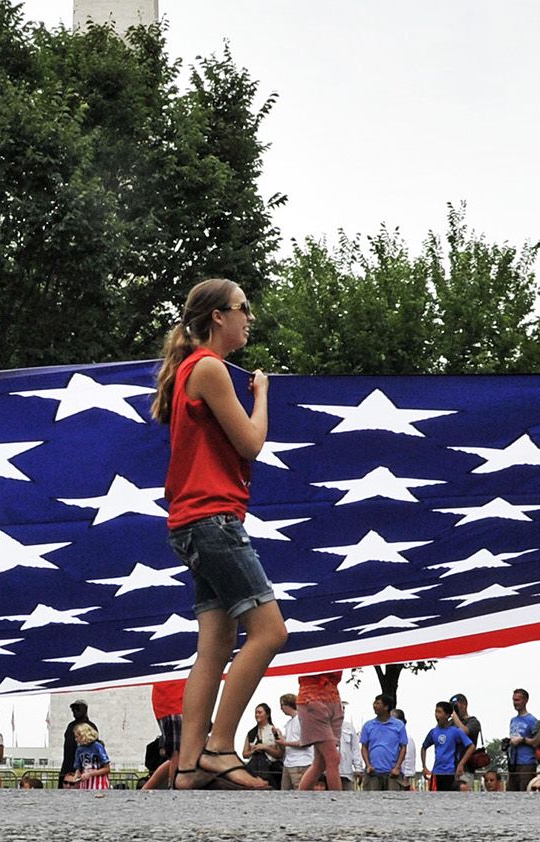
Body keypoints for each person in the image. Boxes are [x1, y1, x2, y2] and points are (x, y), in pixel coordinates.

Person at [153, 278, 287, 791]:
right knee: (272, 631)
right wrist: (263, 395)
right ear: (217, 318)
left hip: (193, 523)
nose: (249, 317)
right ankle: (219, 747)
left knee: (215, 644)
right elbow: (251, 444)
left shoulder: (193, 369)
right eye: (242, 308)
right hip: (213, 521)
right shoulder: (209, 368)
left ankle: (187, 769)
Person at [296, 671, 344, 791]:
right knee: (333, 757)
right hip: (311, 699)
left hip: (333, 698)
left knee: (321, 761)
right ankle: (338, 803)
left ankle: (302, 797)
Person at [359, 695, 408, 792]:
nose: (374, 705)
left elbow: (403, 747)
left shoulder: (398, 725)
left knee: (393, 802)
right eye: (374, 703)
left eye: (378, 703)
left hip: (392, 773)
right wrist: (368, 765)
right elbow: (364, 747)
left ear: (386, 707)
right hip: (373, 773)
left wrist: (397, 767)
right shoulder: (368, 725)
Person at [421, 701, 473, 792]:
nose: (437, 715)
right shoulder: (434, 732)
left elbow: (471, 746)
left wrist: (461, 764)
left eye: (440, 712)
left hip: (451, 772)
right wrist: (424, 766)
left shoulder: (455, 731)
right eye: (436, 712)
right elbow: (424, 747)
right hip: (436, 773)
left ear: (447, 715)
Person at [242, 702, 282, 789]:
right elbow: (245, 754)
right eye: (256, 712)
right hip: (254, 769)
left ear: (267, 714)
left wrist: (266, 748)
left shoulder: (274, 731)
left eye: (260, 712)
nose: (257, 715)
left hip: (271, 769)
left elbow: (279, 754)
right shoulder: (251, 733)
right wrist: (254, 751)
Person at [277, 693, 314, 790]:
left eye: (282, 705)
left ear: (287, 704)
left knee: (300, 793)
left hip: (301, 763)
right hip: (288, 763)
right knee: (285, 793)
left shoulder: (302, 719)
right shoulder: (289, 723)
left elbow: (306, 742)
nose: (281, 708)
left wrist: (285, 743)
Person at [506, 688, 539, 791]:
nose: (515, 703)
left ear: (525, 700)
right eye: (513, 700)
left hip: (527, 763)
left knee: (525, 791)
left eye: (517, 700)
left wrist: (522, 740)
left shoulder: (532, 720)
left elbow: (537, 741)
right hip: (513, 762)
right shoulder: (513, 720)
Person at [63, 722, 110, 790]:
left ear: (84, 735)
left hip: (99, 782)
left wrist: (92, 773)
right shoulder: (79, 749)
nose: (75, 739)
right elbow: (78, 768)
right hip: (85, 782)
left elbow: (107, 769)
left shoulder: (98, 747)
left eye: (77, 736)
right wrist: (77, 775)